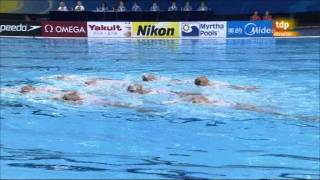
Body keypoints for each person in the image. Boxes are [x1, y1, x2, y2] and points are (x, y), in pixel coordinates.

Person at [194, 76, 259, 91]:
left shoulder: (207, 85)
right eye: (206, 80)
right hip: (225, 86)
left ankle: (250, 88)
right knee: (239, 88)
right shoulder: (207, 86)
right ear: (202, 83)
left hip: (225, 86)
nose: (208, 80)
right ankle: (250, 88)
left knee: (239, 88)